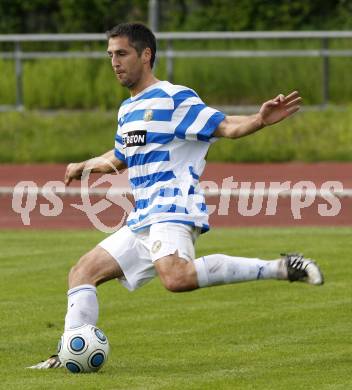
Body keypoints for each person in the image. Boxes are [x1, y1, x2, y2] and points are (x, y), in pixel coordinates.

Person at [29, 22, 323, 369]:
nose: (114, 62)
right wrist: (85, 165)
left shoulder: (173, 98)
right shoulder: (127, 109)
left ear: (146, 55)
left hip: (172, 205)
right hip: (144, 215)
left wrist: (258, 120)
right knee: (82, 272)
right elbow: (120, 157)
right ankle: (66, 355)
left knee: (177, 278)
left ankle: (282, 268)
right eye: (110, 55)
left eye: (121, 53)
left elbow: (226, 125)